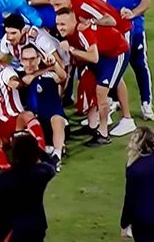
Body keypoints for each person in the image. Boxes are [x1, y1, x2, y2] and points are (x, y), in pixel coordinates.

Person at [55, 8, 132, 147]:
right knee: (89, 86)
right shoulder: (70, 34)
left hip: (116, 53)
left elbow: (93, 57)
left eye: (63, 24)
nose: (60, 28)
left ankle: (103, 133)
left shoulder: (83, 32)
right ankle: (92, 125)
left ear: (72, 22)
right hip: (103, 54)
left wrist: (71, 50)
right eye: (58, 24)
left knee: (101, 92)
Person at [100, 0, 154, 120]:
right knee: (113, 65)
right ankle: (114, 100)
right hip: (113, 29)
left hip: (134, 29)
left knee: (139, 65)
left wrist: (133, 13)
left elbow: (147, 1)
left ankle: (146, 103)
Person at [0, 133, 56, 242]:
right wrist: (36, 148)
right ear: (35, 153)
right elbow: (52, 164)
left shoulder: (3, 179)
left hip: (10, 234)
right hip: (34, 231)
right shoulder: (41, 173)